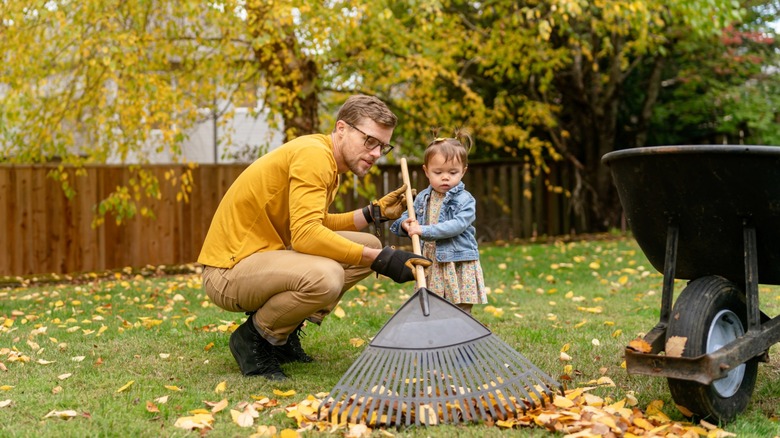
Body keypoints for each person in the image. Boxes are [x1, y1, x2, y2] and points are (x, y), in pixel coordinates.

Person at [198, 94, 431, 381]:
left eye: (383, 146)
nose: (375, 153)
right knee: (327, 275)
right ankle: (253, 339)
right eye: (370, 141)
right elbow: (307, 236)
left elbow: (315, 224)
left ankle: (282, 335)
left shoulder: (326, 160)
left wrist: (374, 213)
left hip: (261, 260)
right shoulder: (314, 156)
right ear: (342, 128)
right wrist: (381, 259)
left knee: (368, 244)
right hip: (228, 271)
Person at [390, 132, 487, 314]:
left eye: (452, 172)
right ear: (426, 171)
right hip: (432, 261)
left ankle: (462, 334)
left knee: (459, 305)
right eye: (438, 172)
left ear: (463, 171)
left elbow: (456, 225)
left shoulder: (465, 200)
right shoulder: (422, 198)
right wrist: (405, 224)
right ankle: (439, 337)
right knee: (434, 303)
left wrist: (423, 230)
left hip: (457, 261)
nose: (445, 177)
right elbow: (406, 217)